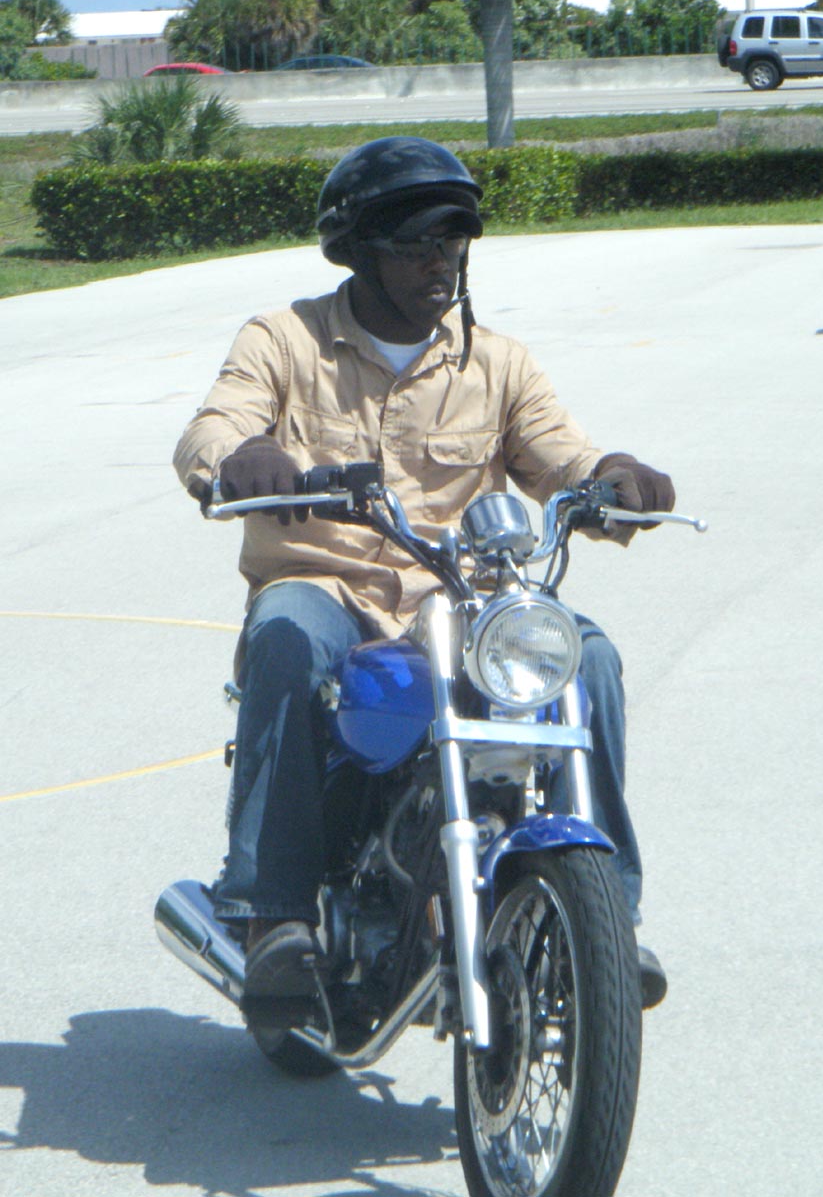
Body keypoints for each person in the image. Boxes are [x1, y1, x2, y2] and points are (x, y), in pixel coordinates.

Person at [173, 136, 675, 1013]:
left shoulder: (497, 362)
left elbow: (560, 452)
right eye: (414, 246)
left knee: (586, 658)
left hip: (460, 597)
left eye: (451, 243)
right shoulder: (284, 340)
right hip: (325, 584)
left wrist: (612, 477)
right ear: (359, 251)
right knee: (285, 639)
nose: (438, 263)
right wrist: (242, 455)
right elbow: (212, 426)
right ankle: (273, 914)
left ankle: (608, 921)